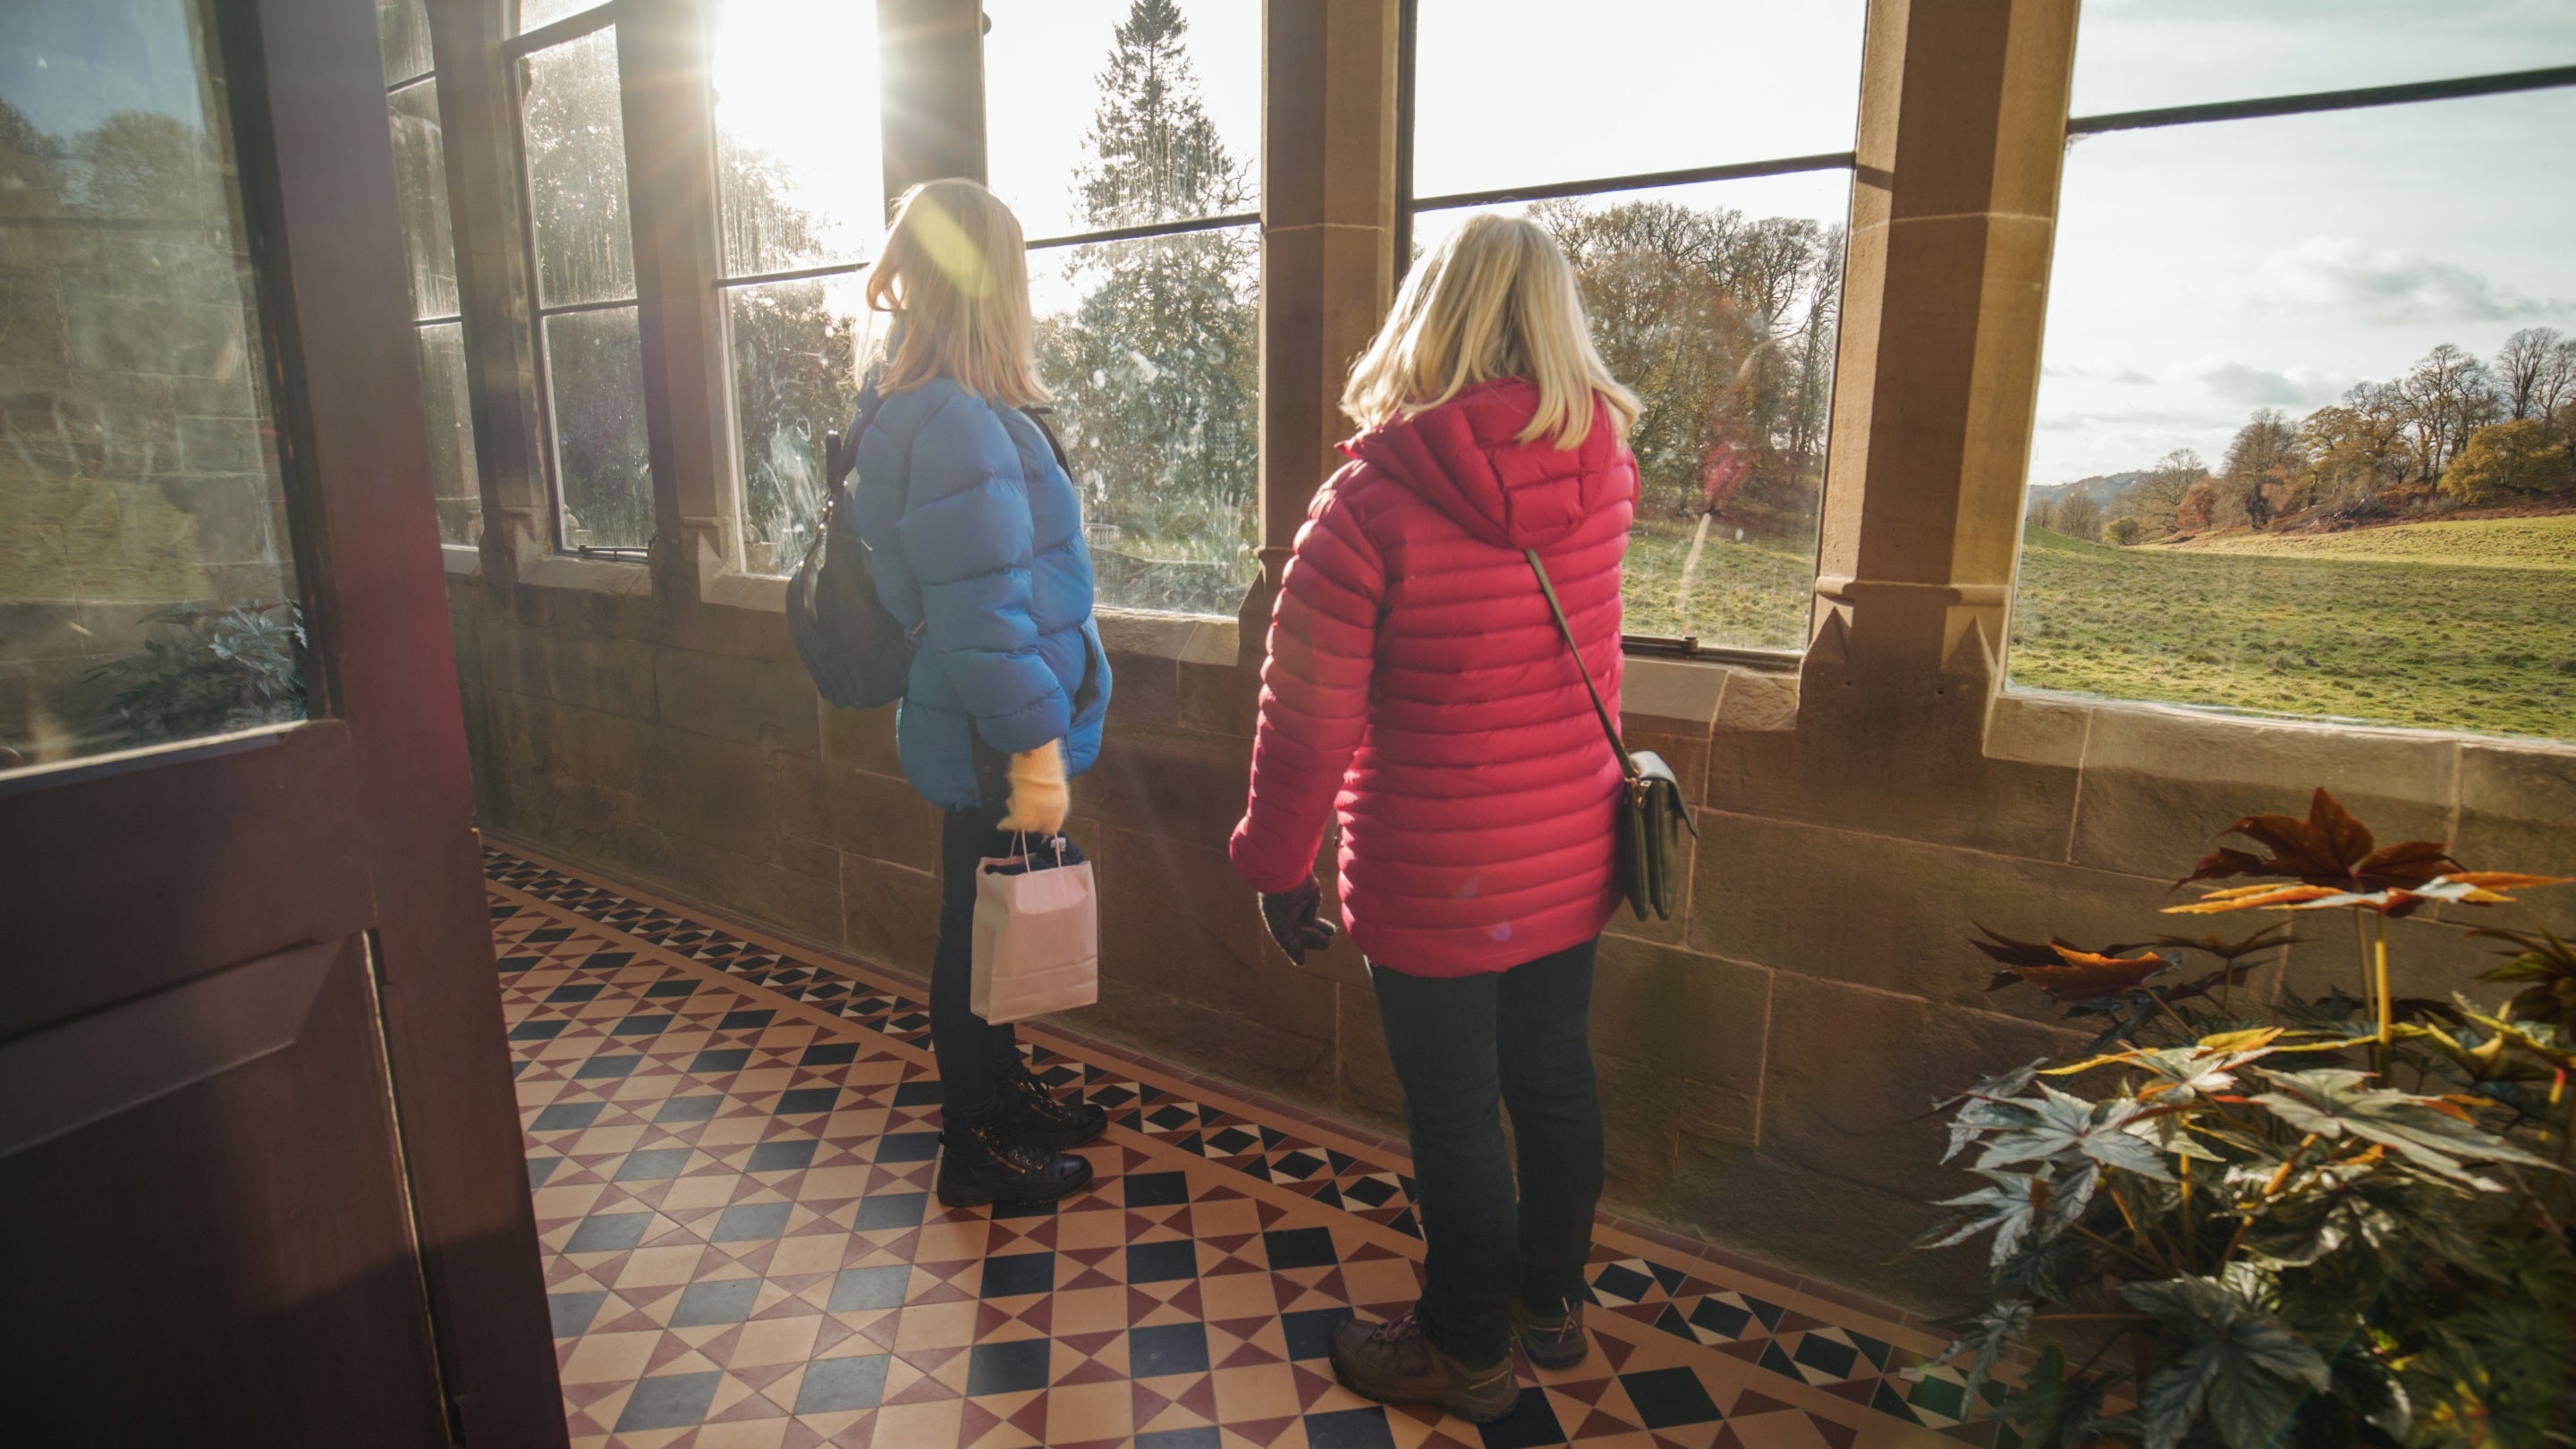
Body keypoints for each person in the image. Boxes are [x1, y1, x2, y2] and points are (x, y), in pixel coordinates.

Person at [1228, 214, 1640, 1421]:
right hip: (1570, 851)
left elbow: (1306, 722)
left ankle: (1465, 1347)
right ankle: (1550, 1305)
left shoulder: (1366, 504)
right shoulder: (1604, 472)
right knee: (1556, 1079)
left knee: (1457, 1110)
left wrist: (1273, 863)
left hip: (1430, 874)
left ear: (1430, 317)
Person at [847, 178, 1113, 1208]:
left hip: (981, 727)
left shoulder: (932, 405)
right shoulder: (955, 422)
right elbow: (981, 621)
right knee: (973, 933)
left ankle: (1003, 1096)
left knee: (987, 913)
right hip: (994, 736)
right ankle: (975, 1143)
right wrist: (1039, 752)